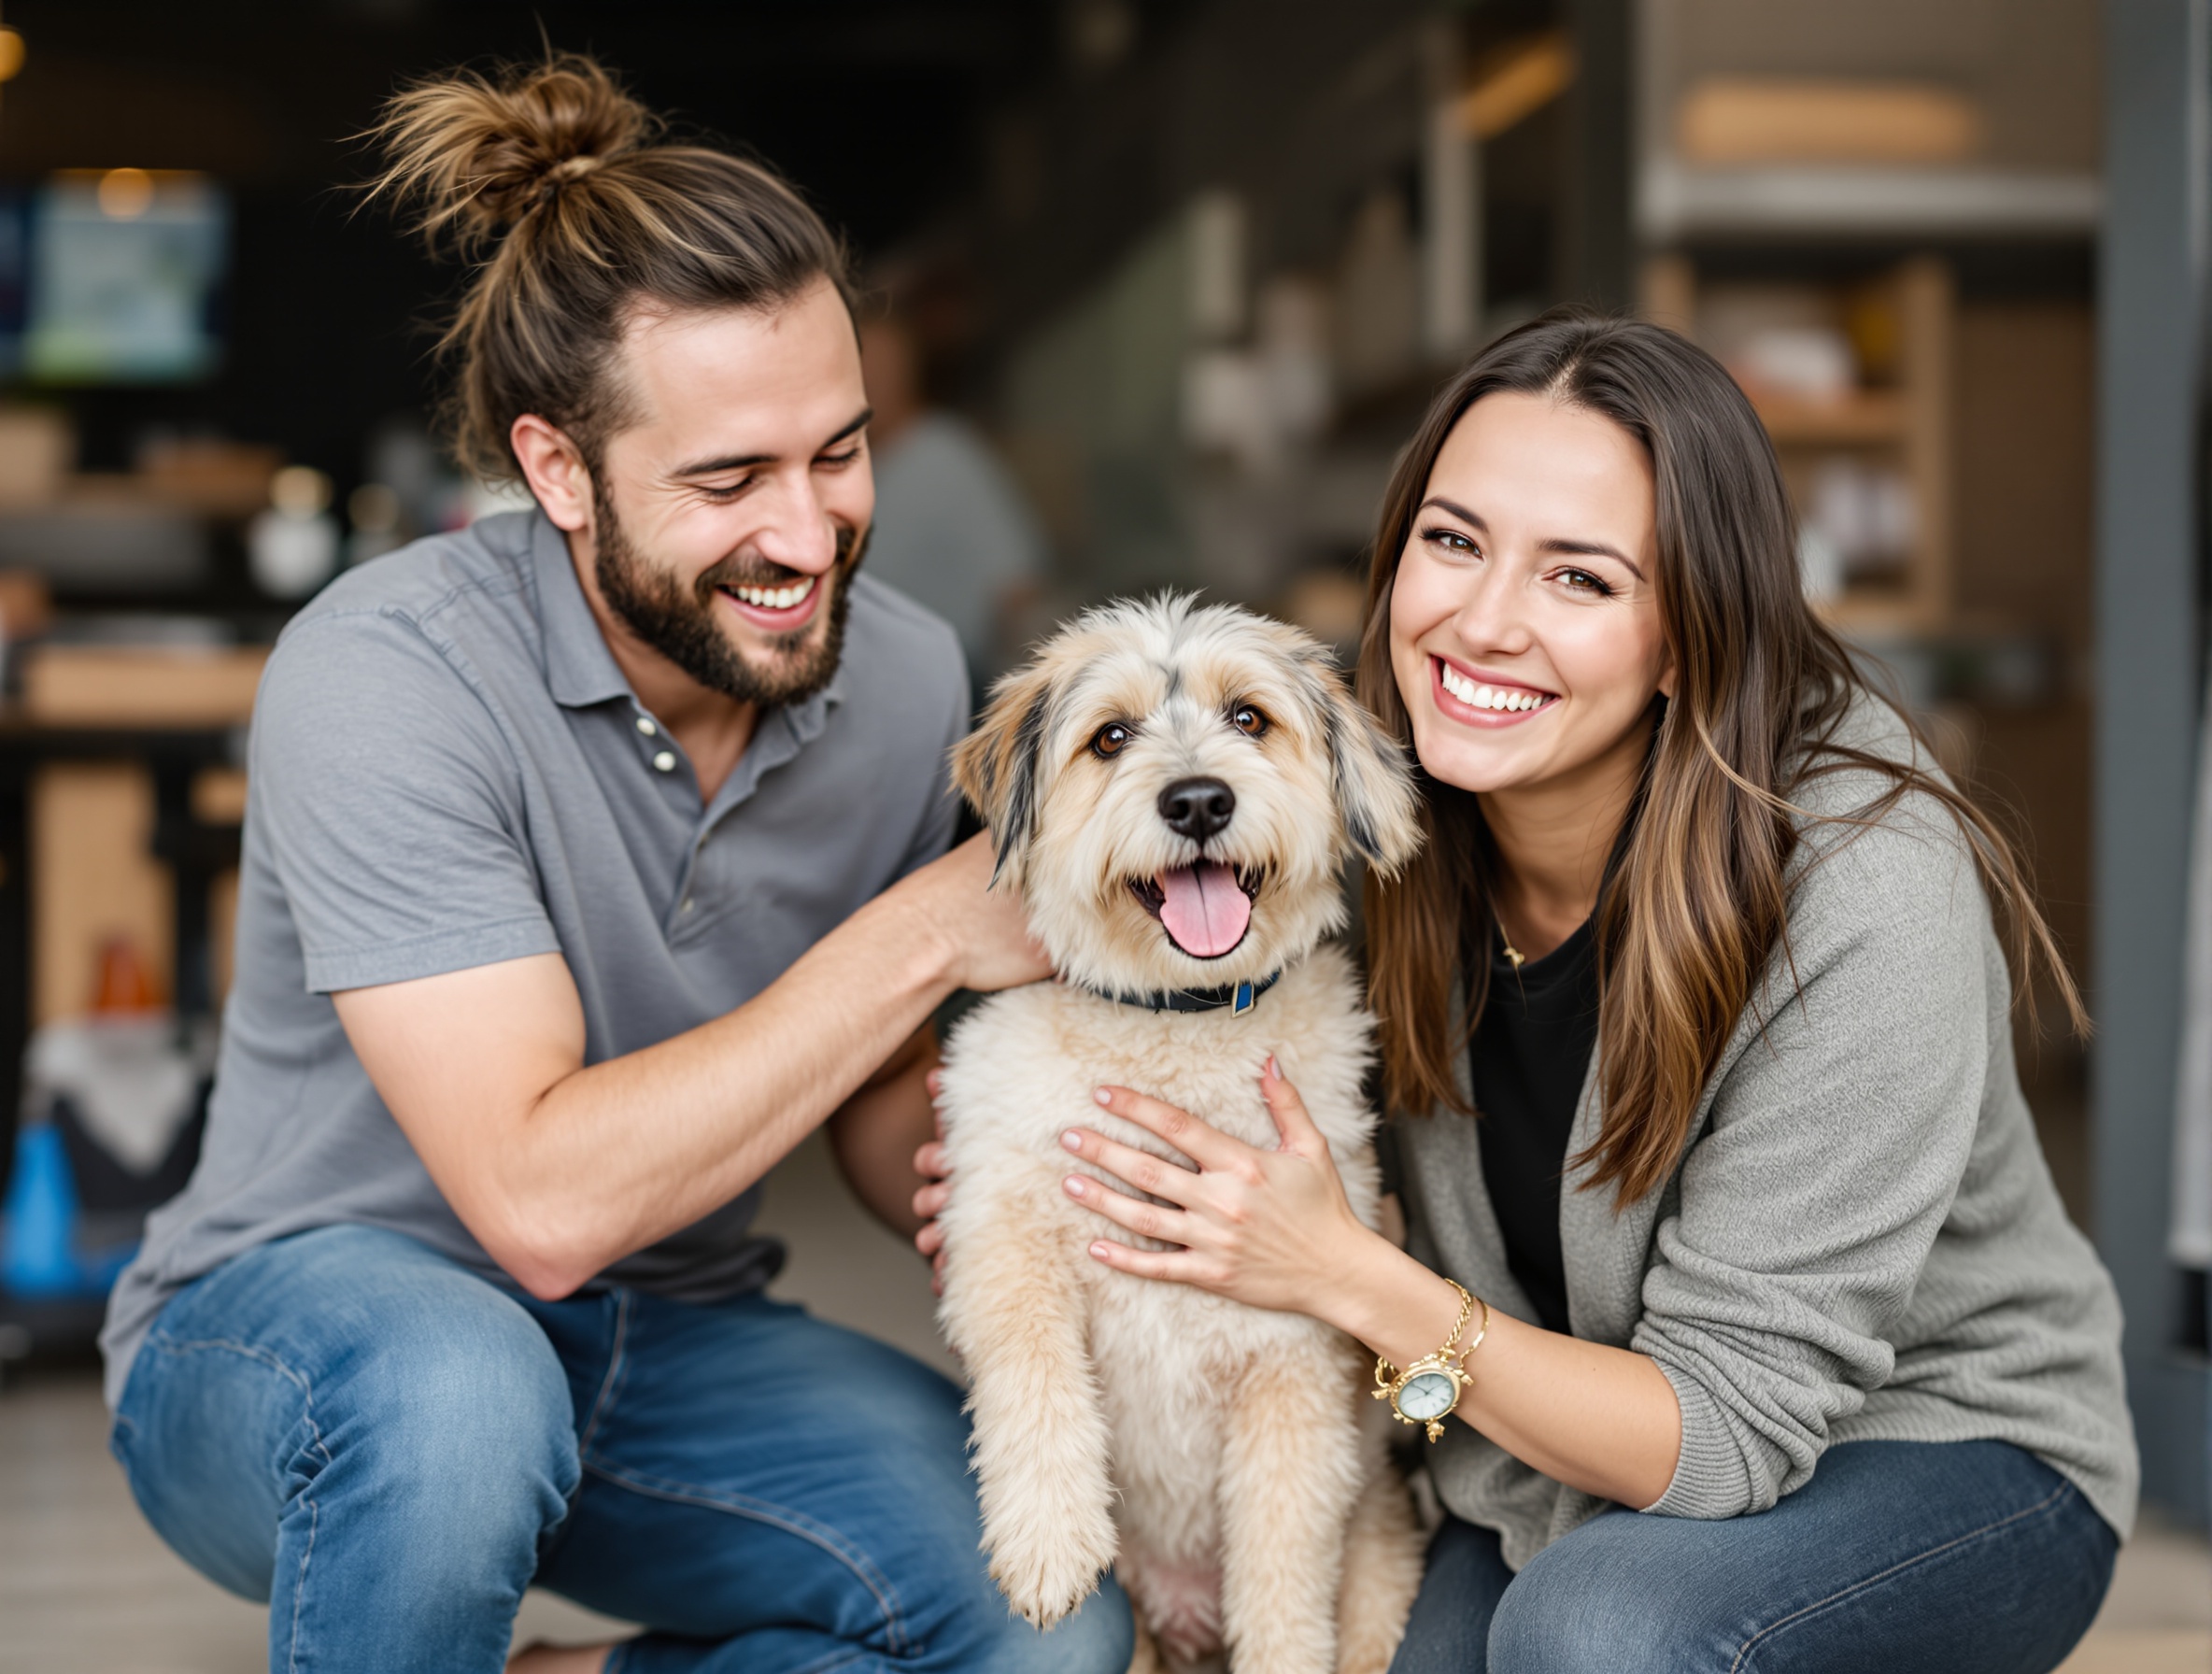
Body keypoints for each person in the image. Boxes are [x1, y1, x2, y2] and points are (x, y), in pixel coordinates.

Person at [97, 55, 1132, 1674]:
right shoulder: (385, 672)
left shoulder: (908, 679)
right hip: (304, 1338)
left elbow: (867, 1095)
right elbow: (539, 1203)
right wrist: (932, 934)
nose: (806, 538)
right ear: (559, 473)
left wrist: (1016, 1178)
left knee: (1049, 1620)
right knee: (457, 1395)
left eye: (838, 454)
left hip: (664, 1339)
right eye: (727, 482)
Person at [916, 311, 2136, 1671]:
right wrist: (1022, 1189)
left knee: (1598, 1635)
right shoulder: (1355, 805)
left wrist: (1344, 1274)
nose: (1485, 622)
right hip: (1543, 1457)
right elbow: (1096, 923)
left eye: (1582, 578)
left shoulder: (1860, 890)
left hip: (1929, 1446)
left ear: (1689, 635)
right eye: (1453, 540)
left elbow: (1726, 1431)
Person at [857, 310, 1044, 696]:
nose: (868, 381)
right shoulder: (851, 464)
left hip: (950, 680)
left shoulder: (947, 456)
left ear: (909, 372)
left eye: (880, 367)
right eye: (858, 365)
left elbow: (1019, 586)